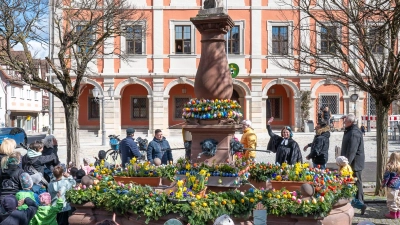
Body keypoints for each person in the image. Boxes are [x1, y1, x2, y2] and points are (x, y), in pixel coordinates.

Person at [340, 113, 367, 214]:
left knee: (357, 183)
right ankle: (357, 203)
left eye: (345, 121)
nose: (344, 122)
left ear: (350, 122)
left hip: (355, 164)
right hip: (352, 163)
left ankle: (360, 203)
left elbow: (352, 150)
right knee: (353, 183)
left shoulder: (354, 132)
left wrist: (346, 163)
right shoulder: (350, 130)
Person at [381, 152, 400, 219]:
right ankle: (398, 213)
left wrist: (383, 185)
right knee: (398, 199)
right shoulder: (399, 166)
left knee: (391, 200)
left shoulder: (389, 166)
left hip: (392, 186)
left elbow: (386, 177)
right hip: (399, 186)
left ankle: (393, 214)